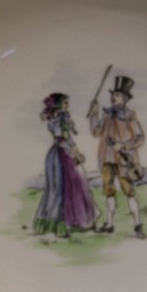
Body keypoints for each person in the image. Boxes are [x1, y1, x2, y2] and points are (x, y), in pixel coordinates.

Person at [89, 76, 146, 238]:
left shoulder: (129, 115)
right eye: (113, 94)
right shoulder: (107, 114)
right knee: (108, 191)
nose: (113, 97)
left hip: (124, 161)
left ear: (125, 98)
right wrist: (94, 114)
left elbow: (140, 138)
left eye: (117, 95)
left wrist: (123, 145)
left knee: (129, 191)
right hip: (107, 158)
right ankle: (109, 224)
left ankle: (138, 226)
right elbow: (96, 132)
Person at [33, 93, 98, 237]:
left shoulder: (63, 119)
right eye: (65, 103)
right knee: (59, 189)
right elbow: (62, 139)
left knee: (72, 187)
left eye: (67, 103)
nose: (67, 105)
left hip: (63, 154)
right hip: (60, 155)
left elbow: (69, 139)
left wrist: (76, 152)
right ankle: (59, 226)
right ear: (57, 105)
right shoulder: (57, 121)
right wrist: (75, 153)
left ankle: (75, 222)